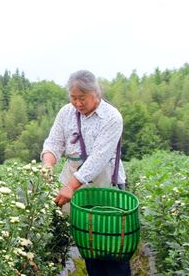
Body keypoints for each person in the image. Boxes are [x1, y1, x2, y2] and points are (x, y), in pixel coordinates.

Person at [40, 70, 130, 276]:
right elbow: (54, 142)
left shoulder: (112, 117)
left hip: (105, 183)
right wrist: (48, 163)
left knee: (114, 245)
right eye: (73, 98)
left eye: (82, 98)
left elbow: (98, 158)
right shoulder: (66, 113)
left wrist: (71, 186)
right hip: (75, 184)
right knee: (90, 244)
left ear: (96, 94)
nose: (78, 103)